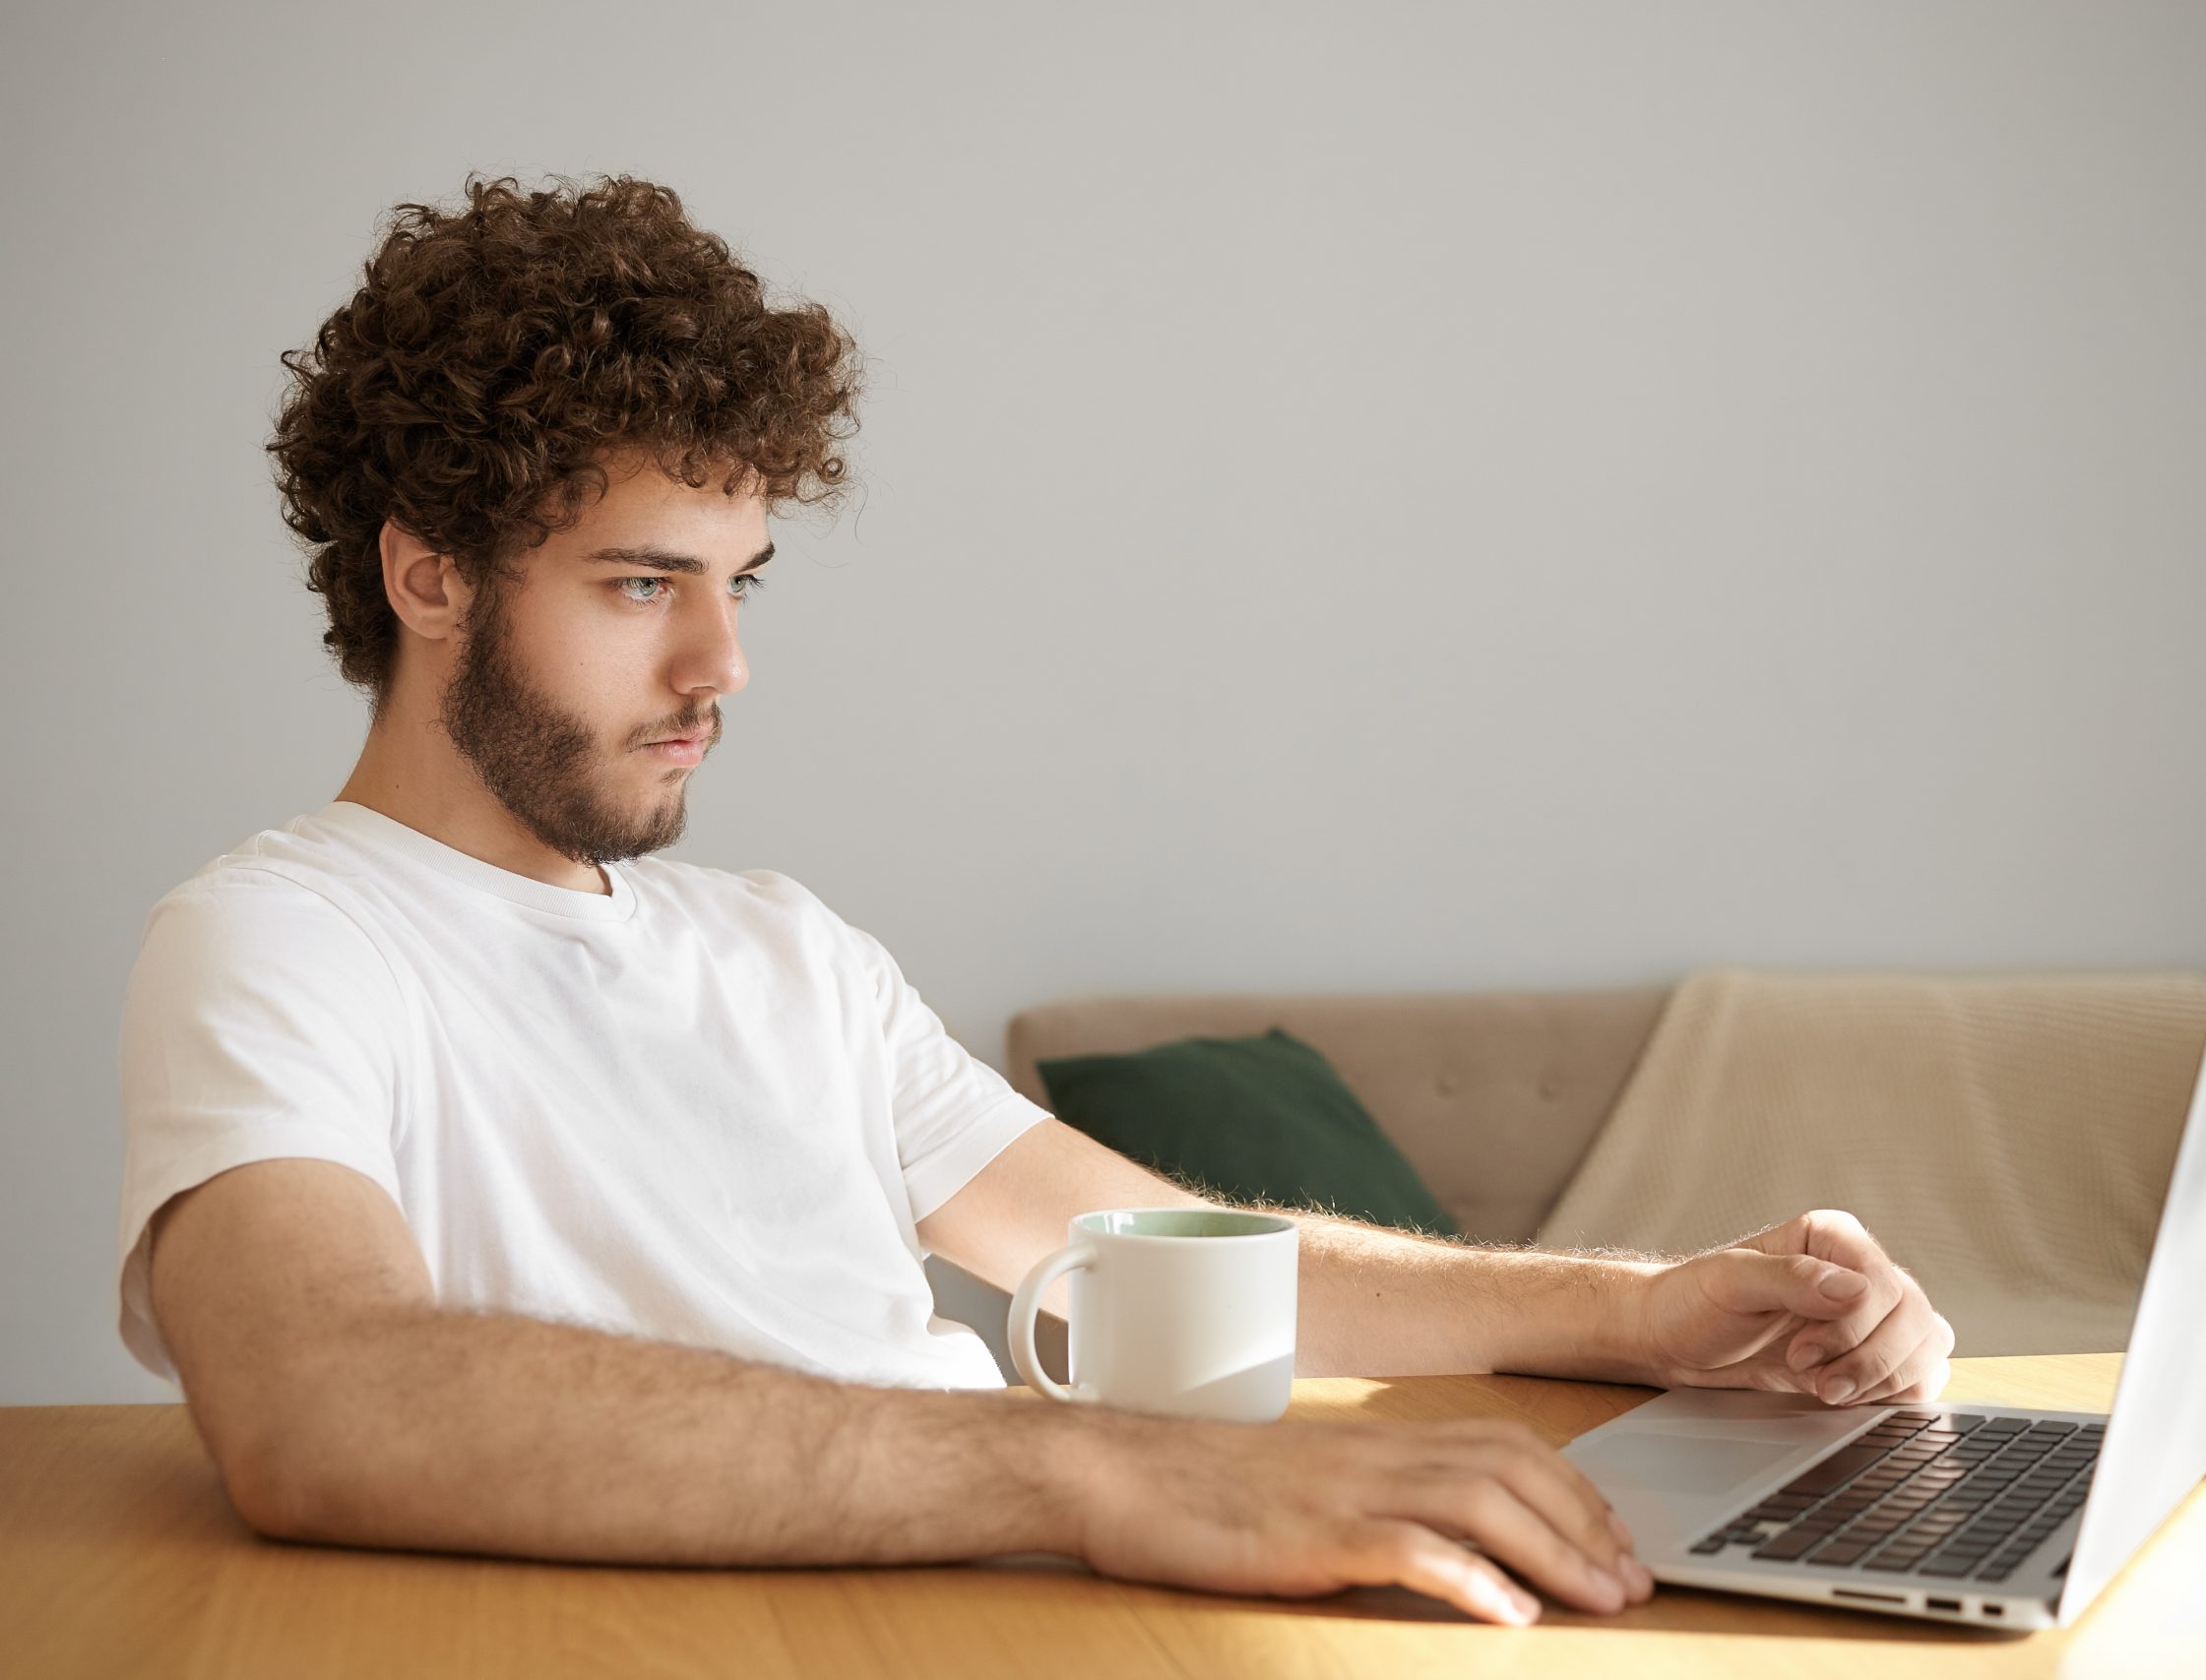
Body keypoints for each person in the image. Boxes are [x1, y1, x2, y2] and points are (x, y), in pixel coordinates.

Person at [118, 172, 1954, 1630]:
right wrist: (1093, 1475)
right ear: (427, 576)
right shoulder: (286, 936)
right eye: (639, 584)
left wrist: (1653, 1311)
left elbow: (1165, 1257)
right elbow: (324, 1401)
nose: (725, 661)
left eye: (743, 581)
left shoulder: (783, 948)